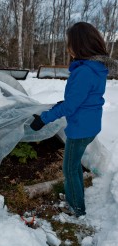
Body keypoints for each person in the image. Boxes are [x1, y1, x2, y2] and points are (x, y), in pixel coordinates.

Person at [30, 22, 109, 218]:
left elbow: (71, 105)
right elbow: (82, 99)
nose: (68, 47)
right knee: (73, 167)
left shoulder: (83, 71)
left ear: (79, 45)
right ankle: (77, 198)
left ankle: (76, 209)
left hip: (80, 129)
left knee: (70, 168)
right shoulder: (95, 67)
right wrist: (60, 104)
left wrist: (44, 119)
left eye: (70, 43)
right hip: (90, 125)